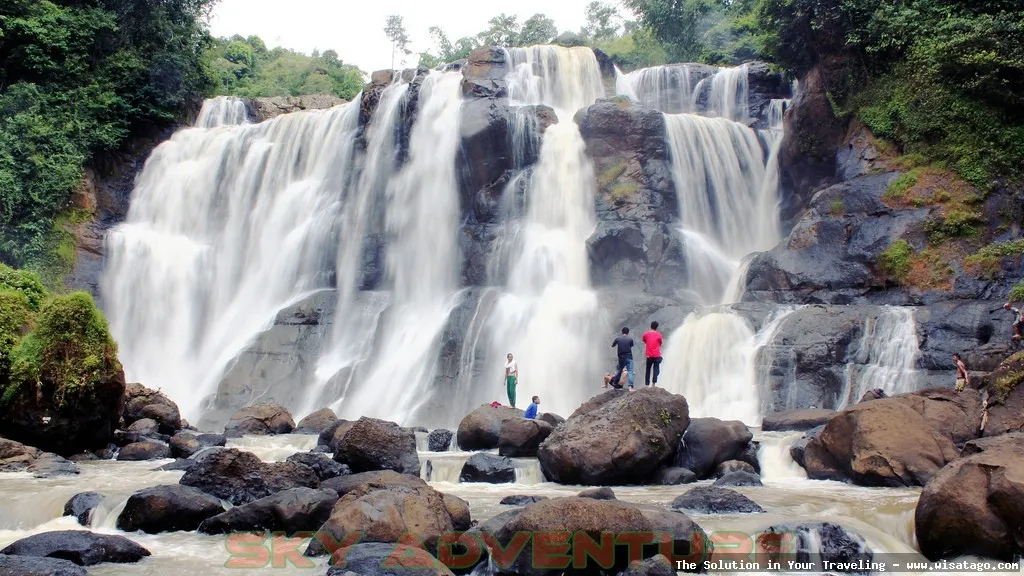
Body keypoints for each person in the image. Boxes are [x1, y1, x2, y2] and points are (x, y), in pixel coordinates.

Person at [641, 321, 663, 387]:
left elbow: (644, 340)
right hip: (656, 355)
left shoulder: (646, 334)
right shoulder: (659, 335)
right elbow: (660, 343)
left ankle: (647, 385)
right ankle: (653, 384)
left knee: (648, 370)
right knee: (655, 370)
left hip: (649, 355)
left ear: (650, 326)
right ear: (657, 327)